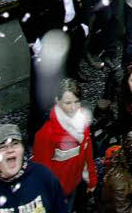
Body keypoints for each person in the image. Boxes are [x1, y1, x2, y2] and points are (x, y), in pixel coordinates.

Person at [18, 0, 89, 136]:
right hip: (47, 40)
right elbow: (24, 13)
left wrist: (84, 25)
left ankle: (65, 124)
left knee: (68, 81)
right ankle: (37, 132)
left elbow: (88, 1)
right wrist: (34, 43)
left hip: (73, 35)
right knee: (42, 87)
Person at [32, 78, 96, 211]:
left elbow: (87, 153)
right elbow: (42, 171)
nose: (73, 108)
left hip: (75, 184)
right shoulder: (46, 133)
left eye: (77, 102)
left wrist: (92, 178)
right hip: (57, 194)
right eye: (68, 103)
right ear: (57, 101)